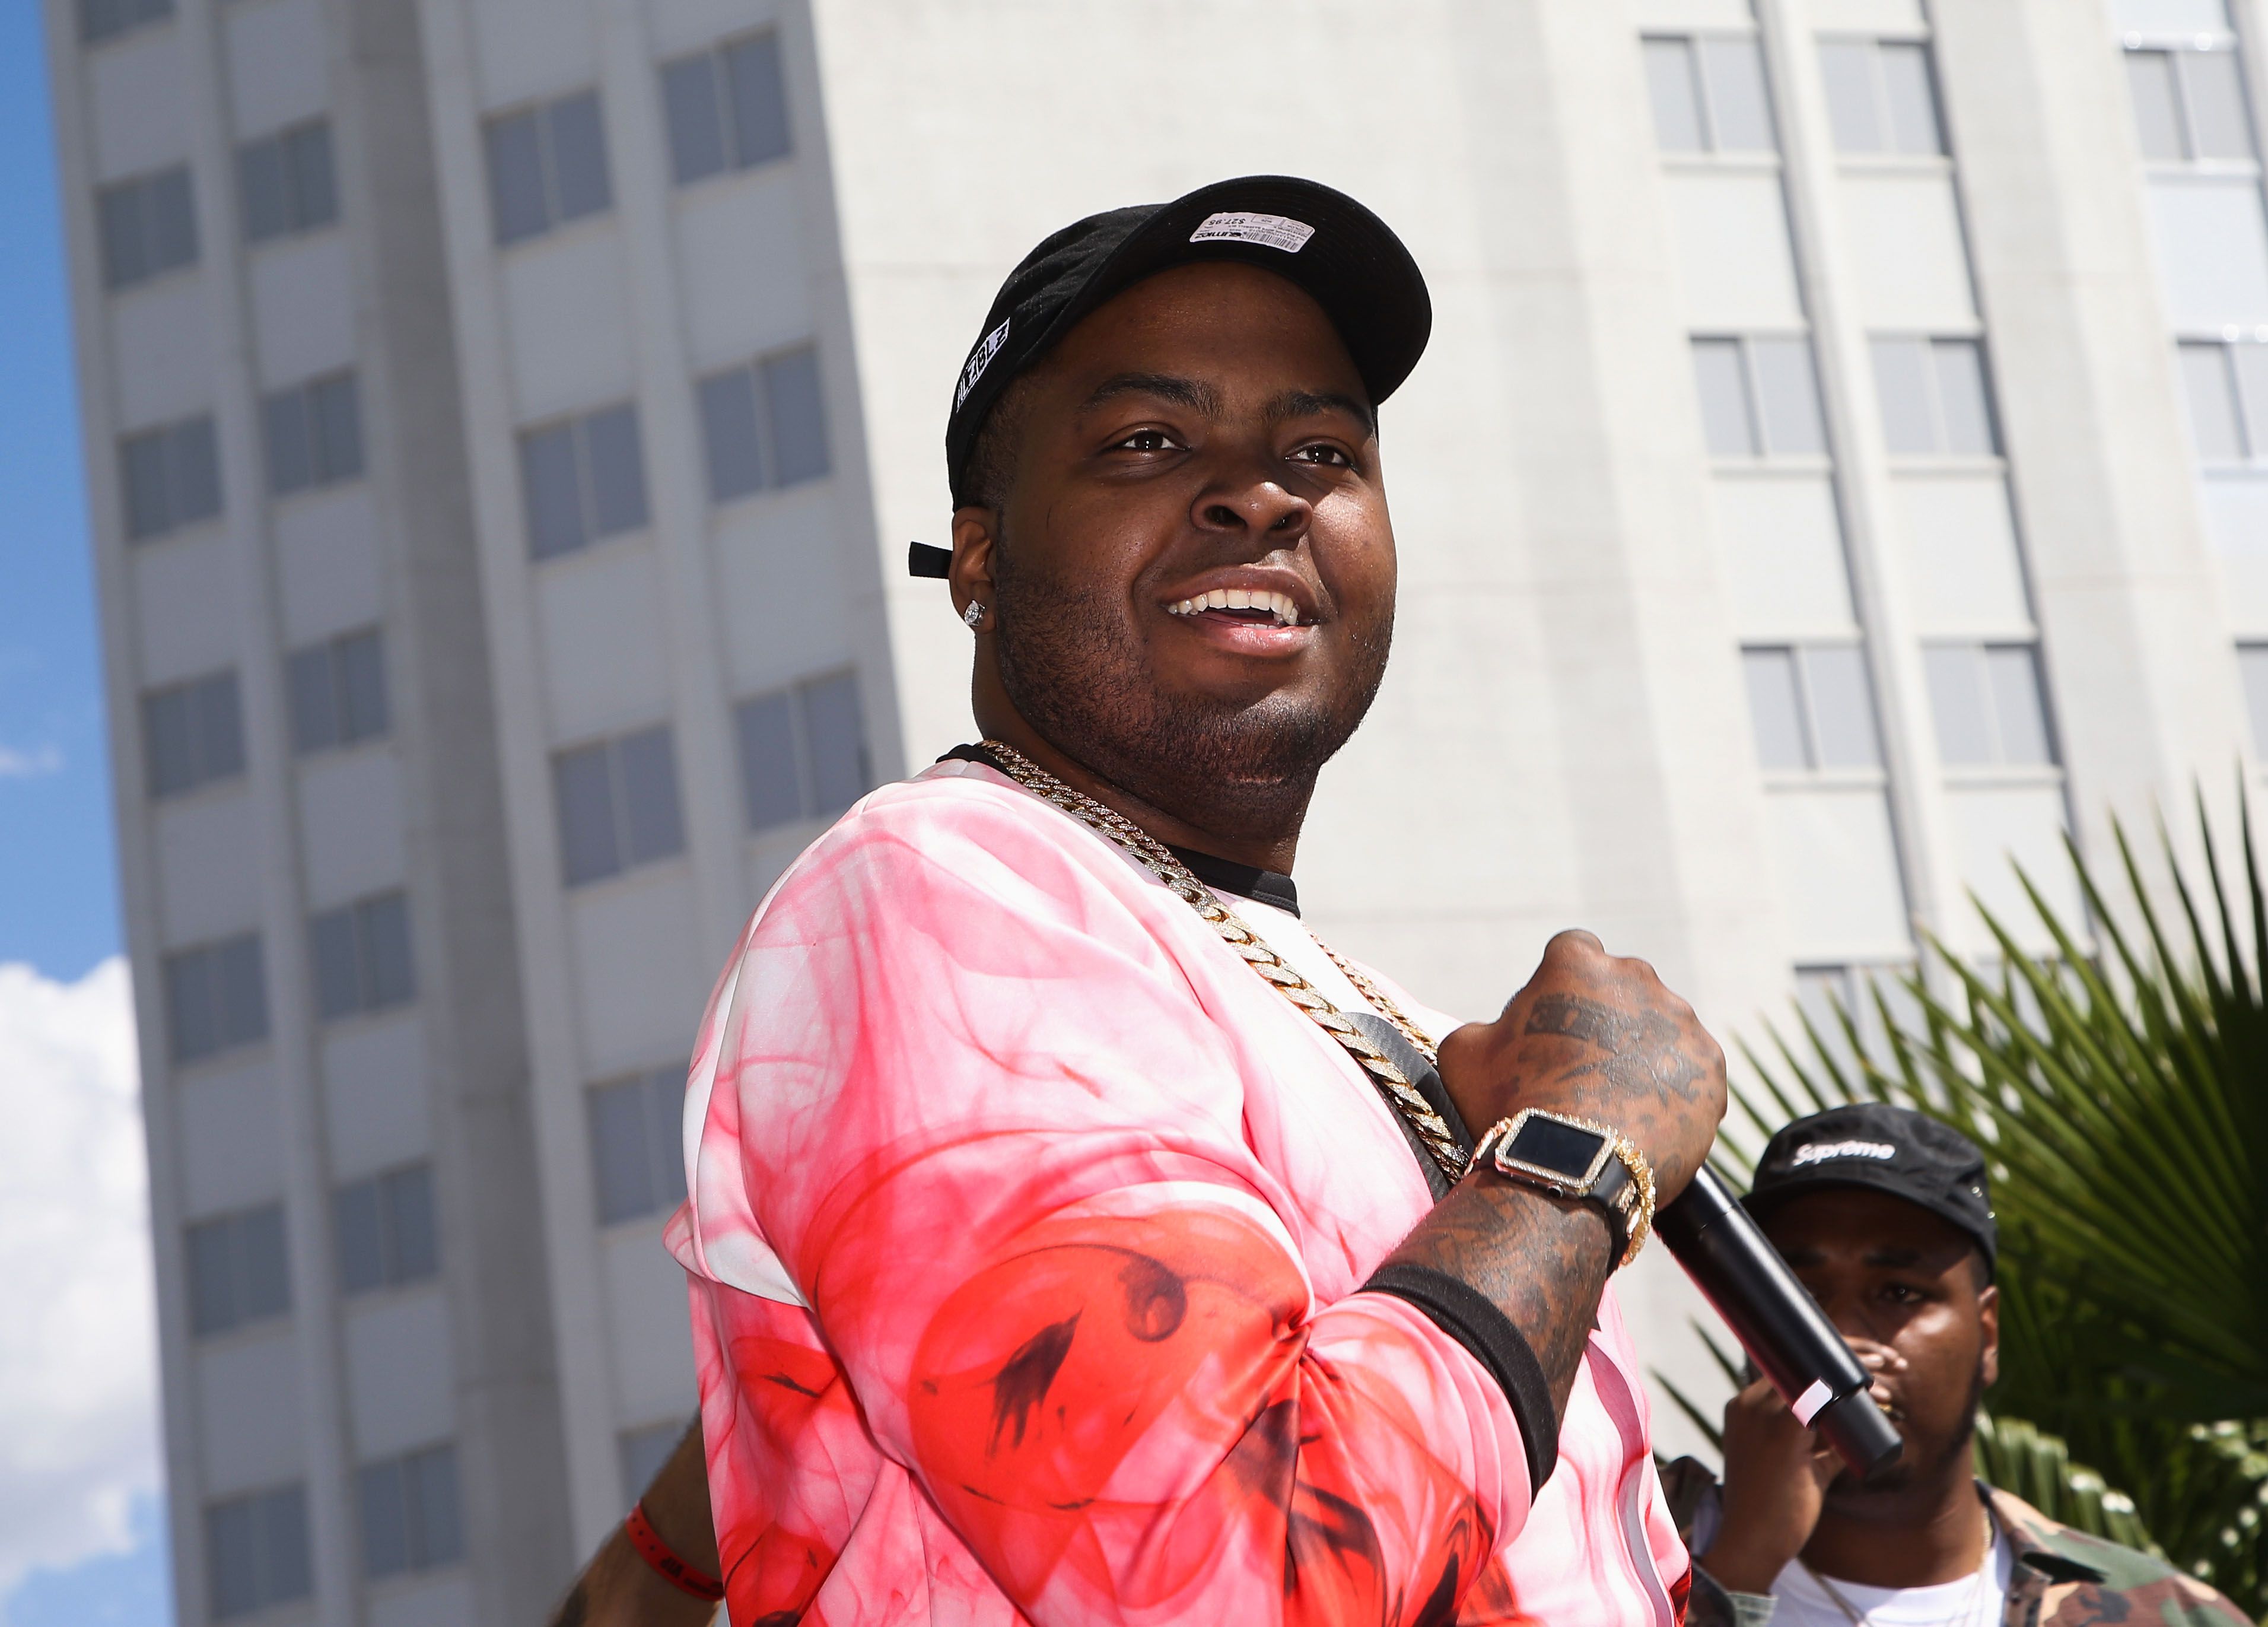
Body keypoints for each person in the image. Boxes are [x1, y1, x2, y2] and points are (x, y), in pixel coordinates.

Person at [582, 174, 1742, 1626]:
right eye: (1148, 439)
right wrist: (1573, 1163)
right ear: (983, 559)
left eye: (1322, 446)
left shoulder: (1376, 1022)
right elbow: (1245, 1582)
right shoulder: (938, 897)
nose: (1261, 490)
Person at [1662, 1103, 2254, 1627]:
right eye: (1797, 1298)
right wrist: (1734, 1571)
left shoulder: (2163, 1613)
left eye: (1897, 1293)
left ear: (1987, 1334)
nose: (1838, 1339)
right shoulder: (1612, 1556)